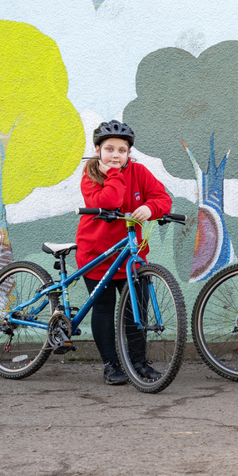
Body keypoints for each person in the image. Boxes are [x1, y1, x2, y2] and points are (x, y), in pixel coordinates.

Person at [76, 120, 173, 385]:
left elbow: (163, 198)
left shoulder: (140, 172)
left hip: (132, 256)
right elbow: (109, 202)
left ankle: (139, 363)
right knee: (105, 309)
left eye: (122, 150)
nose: (115, 155)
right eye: (109, 149)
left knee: (136, 311)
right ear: (98, 150)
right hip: (98, 254)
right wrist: (114, 175)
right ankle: (111, 365)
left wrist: (152, 208)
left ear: (129, 153)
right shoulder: (91, 174)